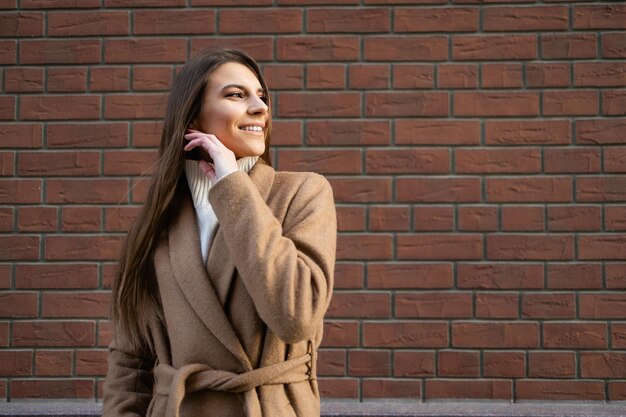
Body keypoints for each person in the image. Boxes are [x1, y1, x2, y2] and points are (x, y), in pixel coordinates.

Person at [102, 49, 337, 417]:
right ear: (193, 114)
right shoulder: (156, 224)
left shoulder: (303, 193)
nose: (260, 107)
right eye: (236, 95)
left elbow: (295, 316)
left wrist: (231, 185)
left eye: (262, 96)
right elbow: (130, 361)